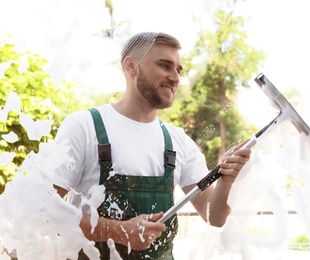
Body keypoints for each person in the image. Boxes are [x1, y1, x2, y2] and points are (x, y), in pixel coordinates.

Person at [51, 32, 251, 259]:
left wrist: (226, 180)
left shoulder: (179, 142)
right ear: (131, 66)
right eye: (165, 66)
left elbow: (214, 217)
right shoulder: (83, 126)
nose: (175, 77)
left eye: (178, 70)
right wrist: (119, 231)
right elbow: (44, 210)